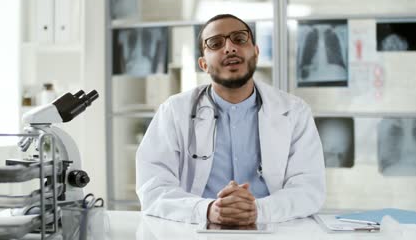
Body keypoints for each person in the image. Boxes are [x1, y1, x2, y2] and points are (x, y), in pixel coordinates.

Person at [136, 14, 326, 225]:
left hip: (274, 227)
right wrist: (206, 210)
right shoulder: (174, 111)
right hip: (197, 228)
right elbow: (153, 187)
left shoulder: (294, 111)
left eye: (239, 38)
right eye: (215, 43)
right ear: (203, 64)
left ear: (256, 51)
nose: (229, 47)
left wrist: (258, 210)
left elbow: (309, 188)